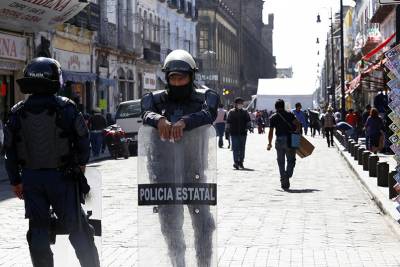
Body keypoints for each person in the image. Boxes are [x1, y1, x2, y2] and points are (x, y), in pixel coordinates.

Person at [3, 57, 100, 267]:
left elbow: (9, 151)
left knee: (37, 231)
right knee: (79, 230)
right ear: (56, 79)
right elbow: (83, 139)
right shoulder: (67, 107)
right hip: (63, 178)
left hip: (32, 179)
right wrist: (81, 164)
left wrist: (15, 181)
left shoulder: (16, 111)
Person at [140, 49, 219, 266]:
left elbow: (209, 113)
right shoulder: (154, 99)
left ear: (191, 77)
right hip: (164, 173)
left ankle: (204, 263)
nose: (177, 82)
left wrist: (185, 122)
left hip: (194, 171)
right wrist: (159, 120)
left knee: (203, 225)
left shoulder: (206, 97)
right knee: (170, 226)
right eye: (173, 77)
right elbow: (145, 113)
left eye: (182, 77)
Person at [267, 99, 301, 190]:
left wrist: (269, 143)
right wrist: (296, 133)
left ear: (275, 107)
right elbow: (298, 124)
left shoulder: (273, 117)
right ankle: (287, 175)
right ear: (283, 106)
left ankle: (283, 178)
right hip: (290, 140)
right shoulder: (290, 115)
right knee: (291, 160)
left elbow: (271, 132)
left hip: (279, 140)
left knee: (280, 162)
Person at [226, 97, 251, 169]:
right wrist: (227, 130)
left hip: (243, 133)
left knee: (242, 148)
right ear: (236, 104)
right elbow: (228, 122)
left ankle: (241, 161)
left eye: (241, 103)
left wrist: (249, 127)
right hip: (234, 133)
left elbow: (248, 121)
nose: (241, 104)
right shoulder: (231, 112)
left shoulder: (245, 112)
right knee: (235, 148)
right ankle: (236, 162)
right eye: (239, 103)